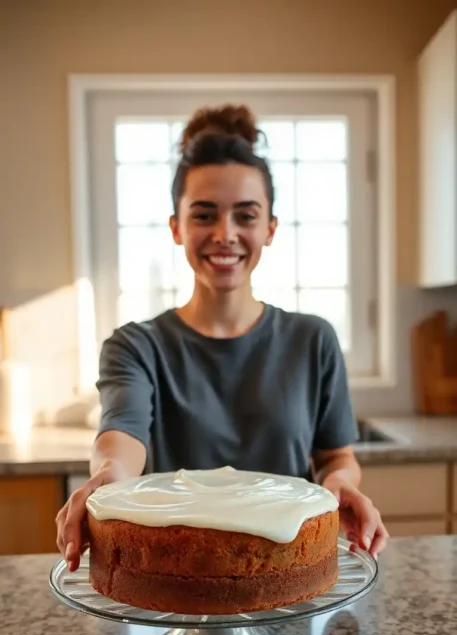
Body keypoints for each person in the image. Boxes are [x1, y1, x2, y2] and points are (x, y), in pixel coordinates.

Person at [56, 104, 389, 572]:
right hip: (174, 581)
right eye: (204, 215)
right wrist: (109, 476)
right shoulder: (135, 346)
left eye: (246, 216)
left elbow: (336, 456)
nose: (225, 234)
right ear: (177, 227)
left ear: (270, 228)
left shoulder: (312, 339)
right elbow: (121, 440)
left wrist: (339, 483)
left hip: (285, 576)